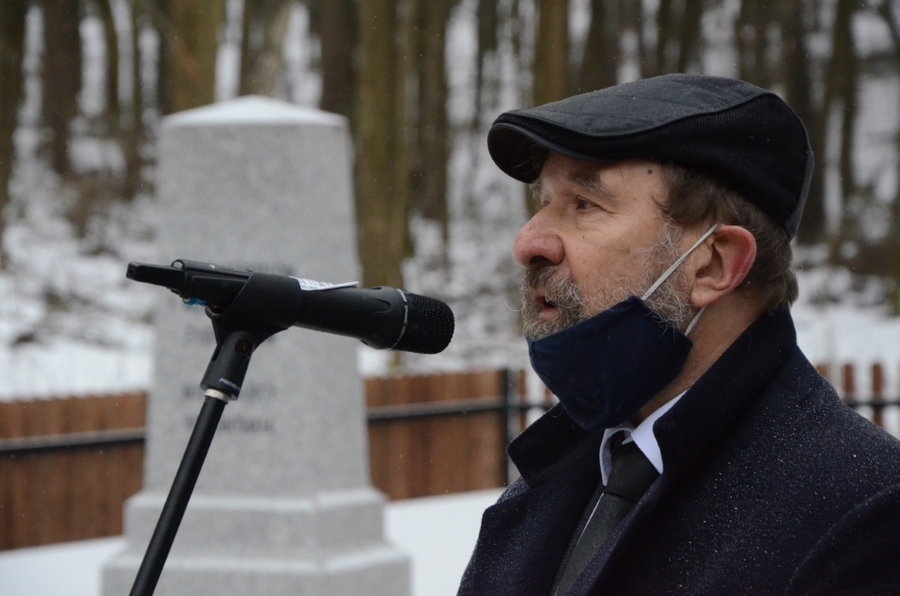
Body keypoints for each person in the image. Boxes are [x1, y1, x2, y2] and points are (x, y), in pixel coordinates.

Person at [457, 74, 900, 596]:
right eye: (544, 201)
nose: (528, 242)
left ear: (714, 265)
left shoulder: (861, 516)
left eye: (584, 204)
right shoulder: (564, 471)